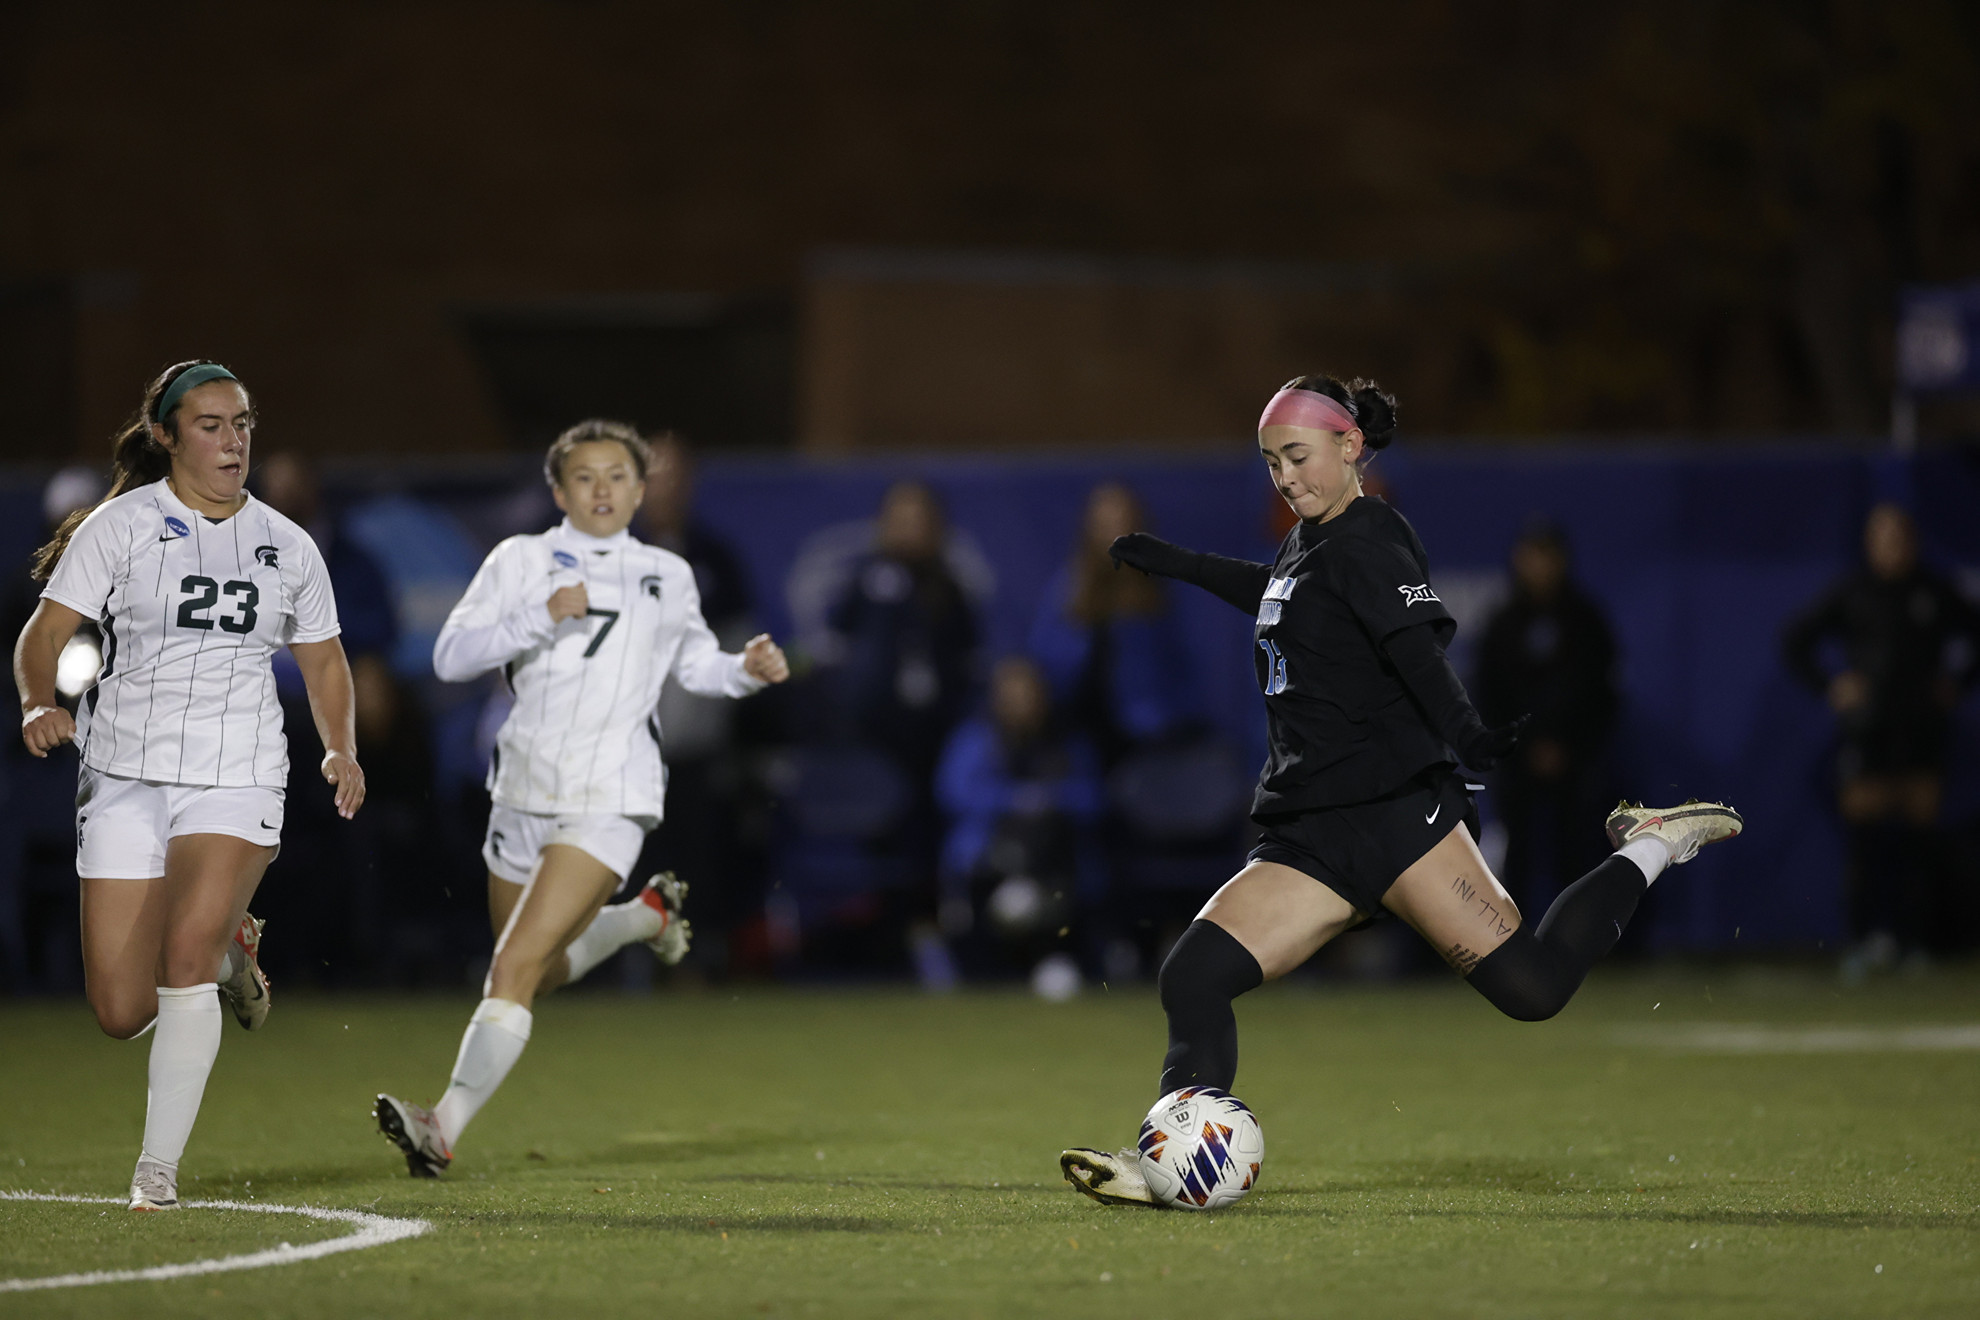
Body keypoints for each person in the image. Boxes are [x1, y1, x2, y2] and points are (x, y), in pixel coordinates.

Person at [1058, 373, 1742, 1206]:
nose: (1285, 477)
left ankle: (1653, 843)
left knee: (1533, 991)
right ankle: (1169, 1163)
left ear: (1351, 449)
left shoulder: (1372, 538)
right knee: (1193, 978)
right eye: (1272, 462)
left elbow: (1419, 655)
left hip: (1393, 817)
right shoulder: (1311, 542)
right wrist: (1181, 565)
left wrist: (1468, 735)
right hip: (1313, 830)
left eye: (1299, 457)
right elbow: (1281, 594)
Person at [373, 420, 789, 1178]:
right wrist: (541, 612)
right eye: (586, 477)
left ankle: (443, 1125)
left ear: (641, 488)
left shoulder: (667, 572)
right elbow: (449, 655)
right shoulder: (521, 560)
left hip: (612, 793)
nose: (603, 489)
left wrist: (745, 671)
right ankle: (641, 918)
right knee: (539, 967)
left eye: (619, 476)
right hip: (524, 785)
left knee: (511, 971)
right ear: (559, 490)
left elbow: (696, 666)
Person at [13, 360, 365, 1211]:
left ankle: (156, 1174)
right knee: (120, 1010)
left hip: (236, 774)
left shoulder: (288, 543)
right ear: (167, 435)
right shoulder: (121, 527)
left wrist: (339, 749)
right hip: (125, 773)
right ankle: (228, 952)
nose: (232, 440)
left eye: (241, 423)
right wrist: (35, 701)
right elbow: (45, 632)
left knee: (179, 957)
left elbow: (323, 661)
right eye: (209, 424)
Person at [1782, 503, 1980, 978]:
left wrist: (1956, 683)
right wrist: (1832, 685)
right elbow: (1795, 640)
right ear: (1870, 543)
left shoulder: (1933, 590)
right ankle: (1867, 940)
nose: (1892, 547)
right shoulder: (1854, 592)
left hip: (1921, 735)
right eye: (1883, 536)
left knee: (1918, 847)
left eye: (1900, 536)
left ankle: (1915, 943)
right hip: (1868, 736)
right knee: (1867, 847)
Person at [1472, 519, 1621, 911]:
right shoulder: (1502, 621)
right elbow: (1491, 693)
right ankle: (1513, 941)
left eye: (1546, 556)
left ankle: (1579, 936)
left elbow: (1599, 693)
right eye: (1530, 556)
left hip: (1575, 761)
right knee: (1515, 852)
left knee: (1577, 851)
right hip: (1518, 763)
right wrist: (1522, 747)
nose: (1538, 566)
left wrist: (1567, 745)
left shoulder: (1587, 621)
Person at [1028, 482, 1197, 765]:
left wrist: (1170, 722)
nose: (1114, 534)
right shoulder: (1068, 590)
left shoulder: (1159, 593)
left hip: (1146, 739)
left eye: (1122, 523)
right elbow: (1044, 661)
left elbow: (1184, 668)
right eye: (1103, 524)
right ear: (1088, 530)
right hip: (1079, 732)